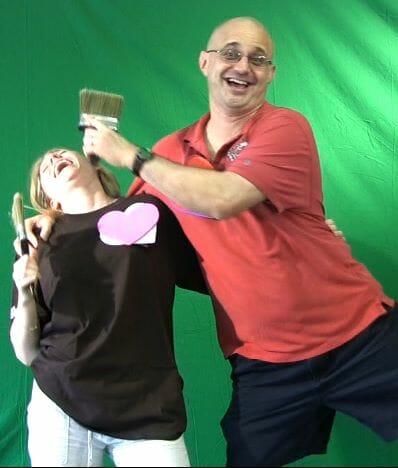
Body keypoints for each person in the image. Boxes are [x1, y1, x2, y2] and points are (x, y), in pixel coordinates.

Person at [25, 16, 398, 467]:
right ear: (205, 62)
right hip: (266, 365)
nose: (244, 64)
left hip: (358, 336)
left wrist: (130, 155)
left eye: (258, 58)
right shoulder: (168, 153)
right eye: (231, 52)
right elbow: (119, 230)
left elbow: (225, 199)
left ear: (271, 74)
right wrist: (55, 225)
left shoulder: (284, 127)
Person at [10, 148, 207, 467]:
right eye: (43, 168)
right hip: (62, 402)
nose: (52, 158)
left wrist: (303, 241)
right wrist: (24, 288)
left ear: (95, 165)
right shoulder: (39, 242)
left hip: (148, 404)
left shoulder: (148, 210)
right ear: (49, 199)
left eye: (60, 153)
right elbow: (25, 352)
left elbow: (218, 261)